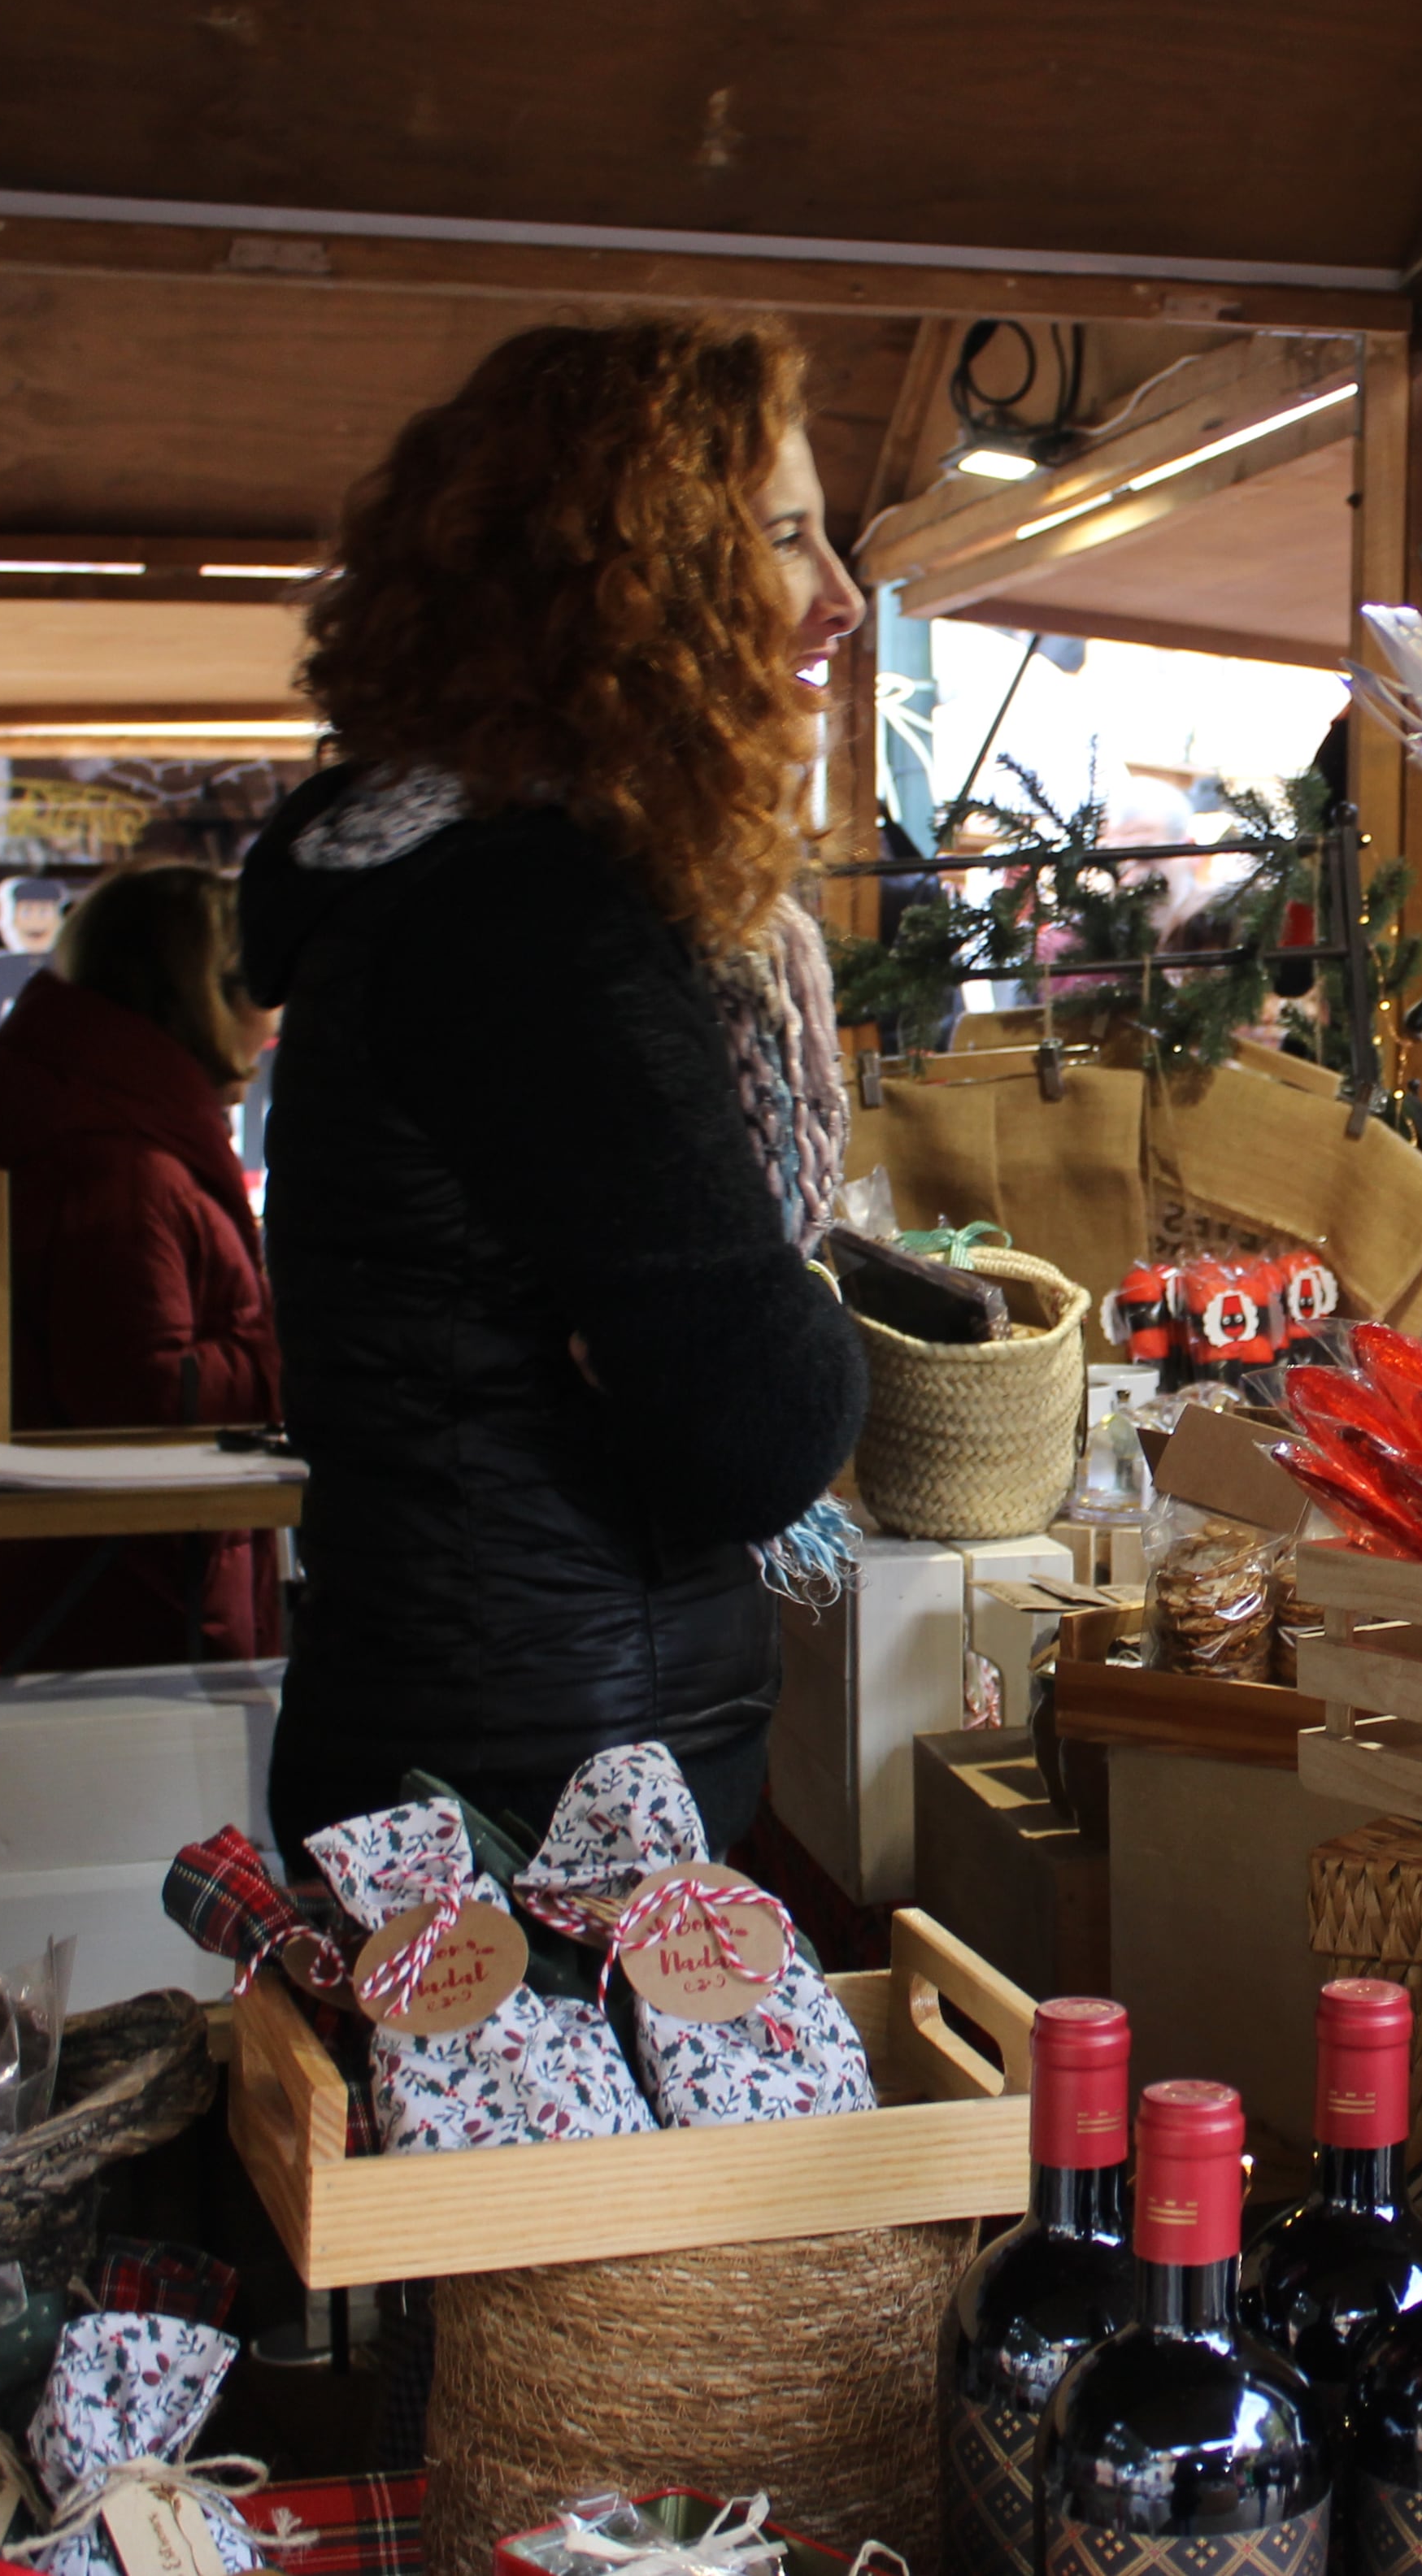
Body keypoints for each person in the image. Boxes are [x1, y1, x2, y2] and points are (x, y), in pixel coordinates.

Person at [240, 315, 872, 1865]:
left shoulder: (430, 879)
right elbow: (760, 1420)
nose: (842, 596)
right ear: (638, 589)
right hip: (556, 1785)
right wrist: (796, 1314)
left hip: (482, 1723)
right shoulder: (536, 916)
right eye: (784, 537)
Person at [0, 862, 284, 1670]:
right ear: (207, 994)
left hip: (66, 1589)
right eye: (263, 989)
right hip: (118, 1609)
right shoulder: (119, 1160)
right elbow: (145, 1396)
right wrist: (283, 1342)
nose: (275, 1017)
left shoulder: (86, 1108)